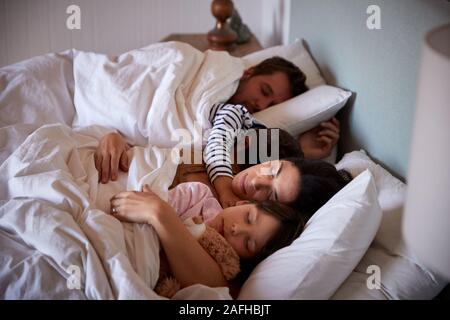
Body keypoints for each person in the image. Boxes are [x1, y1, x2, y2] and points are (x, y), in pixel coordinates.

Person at [108, 181, 305, 290]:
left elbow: (212, 288)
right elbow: (135, 205)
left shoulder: (225, 271)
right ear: (241, 203)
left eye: (248, 243)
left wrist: (161, 213)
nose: (236, 229)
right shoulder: (198, 196)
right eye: (248, 217)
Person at [205, 57, 308, 208]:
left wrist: (307, 152)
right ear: (249, 72)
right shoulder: (235, 112)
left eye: (271, 105)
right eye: (264, 91)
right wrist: (226, 191)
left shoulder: (249, 128)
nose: (261, 105)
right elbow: (217, 144)